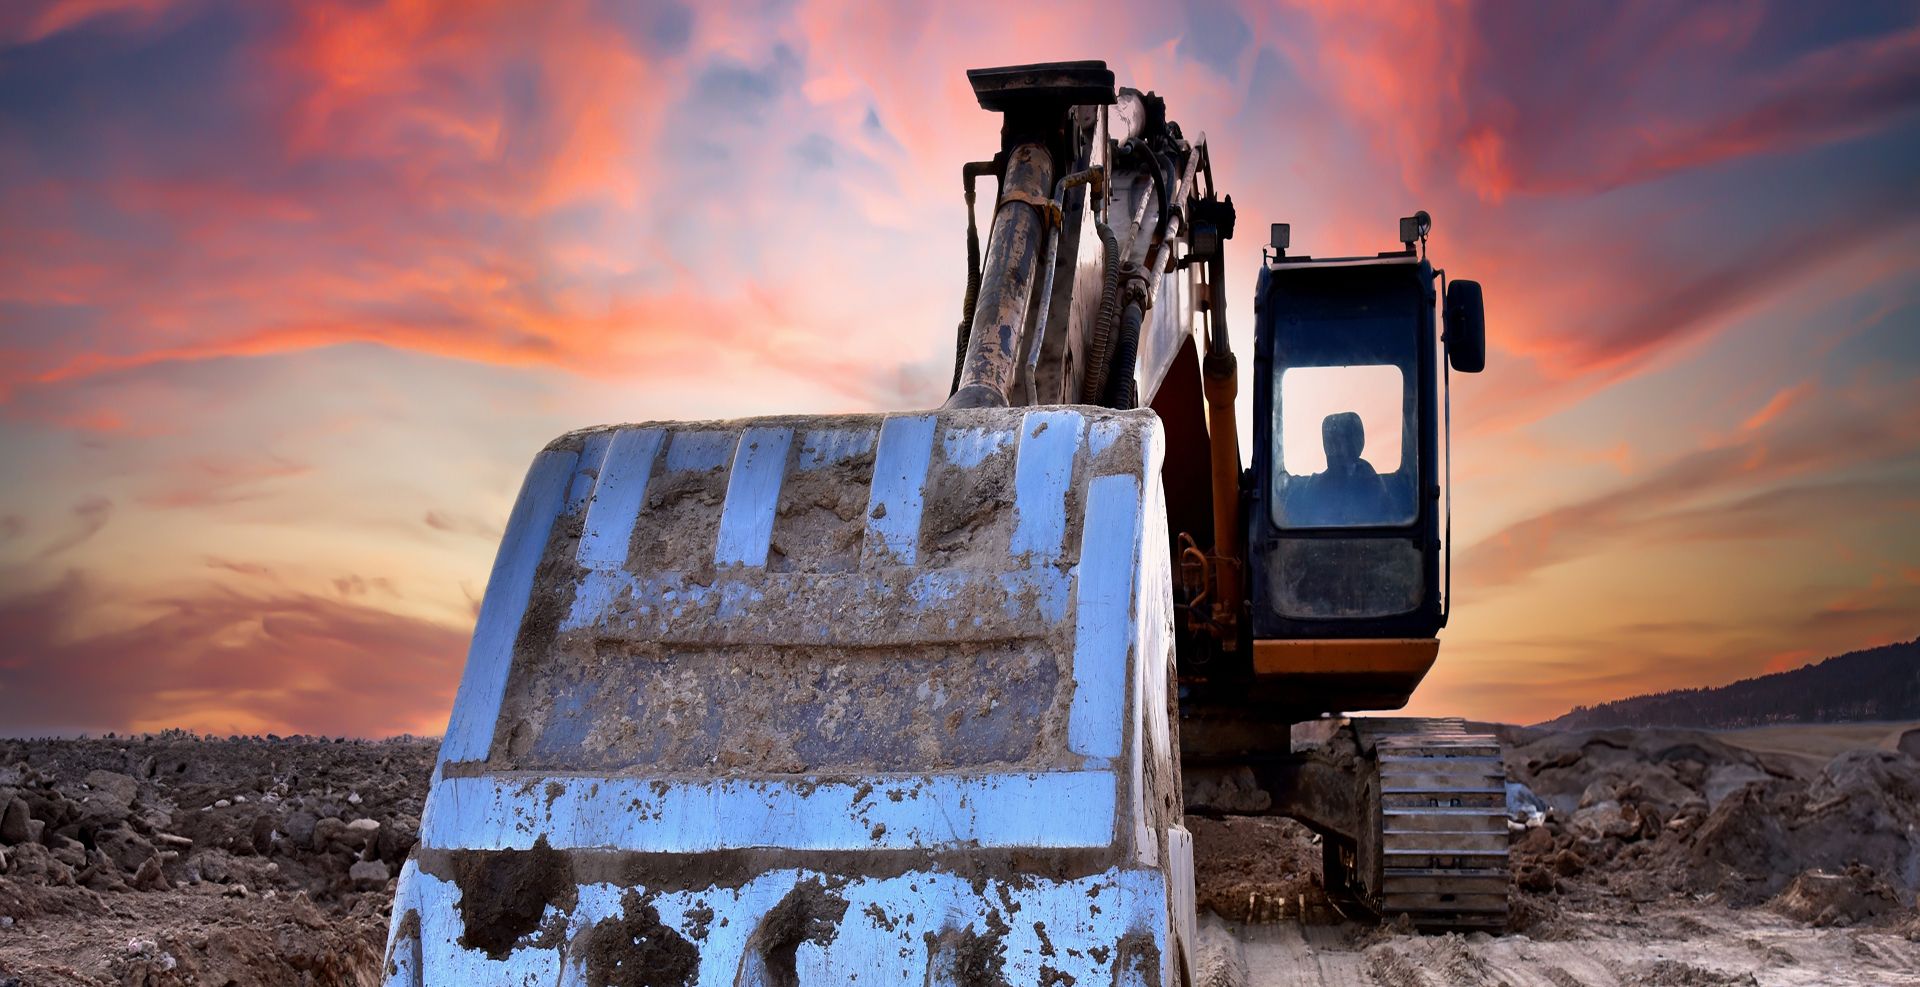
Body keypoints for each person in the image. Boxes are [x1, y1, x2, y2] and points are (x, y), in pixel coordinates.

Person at [1289, 411, 1392, 525]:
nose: (1333, 446)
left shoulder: (1372, 484)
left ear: (1354, 443)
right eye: (1330, 440)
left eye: (1340, 440)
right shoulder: (1312, 486)